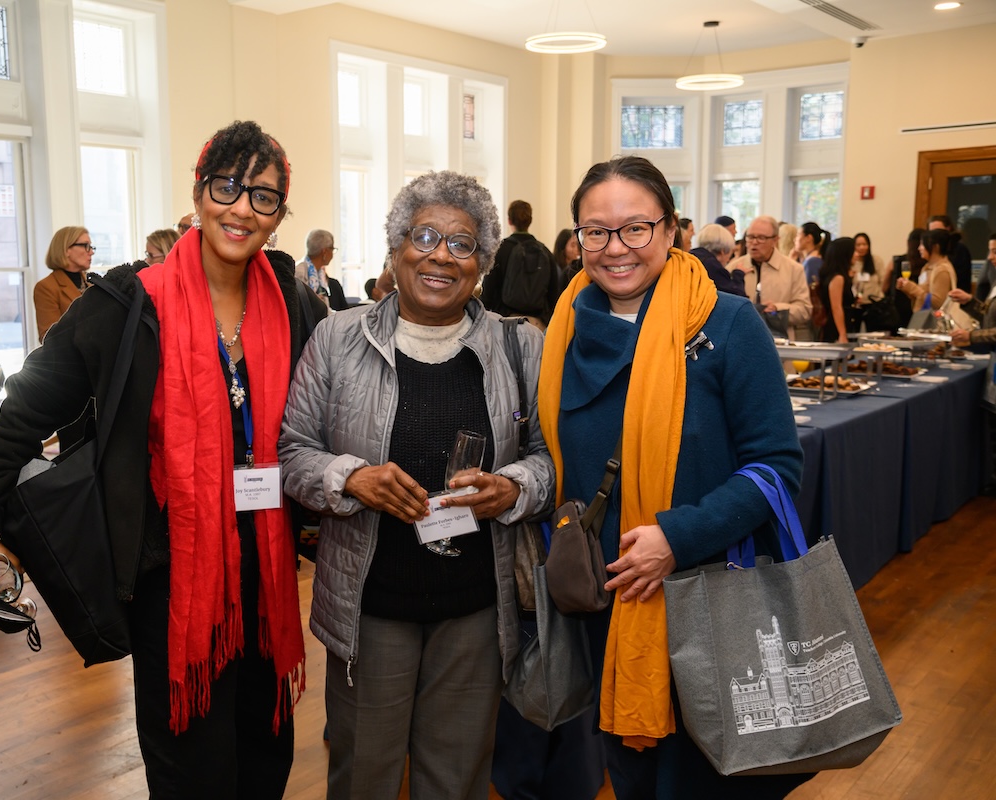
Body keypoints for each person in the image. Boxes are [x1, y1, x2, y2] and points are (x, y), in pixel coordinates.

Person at [0, 121, 324, 799]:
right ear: (199, 191)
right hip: (170, 574)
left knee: (265, 753)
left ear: (278, 217)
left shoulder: (294, 302)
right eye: (228, 187)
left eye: (264, 198)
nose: (242, 208)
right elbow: (27, 409)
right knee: (190, 765)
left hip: (267, 571)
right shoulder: (127, 303)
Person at [539, 155, 809, 798]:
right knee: (632, 776)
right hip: (605, 603)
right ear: (578, 240)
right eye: (596, 231)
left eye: (636, 227)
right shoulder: (564, 329)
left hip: (707, 601)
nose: (615, 248)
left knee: (705, 777)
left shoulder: (726, 324)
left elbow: (777, 466)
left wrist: (677, 537)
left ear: (670, 232)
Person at [279, 171, 554, 800]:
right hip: (370, 607)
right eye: (424, 236)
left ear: (482, 264)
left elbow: (547, 461)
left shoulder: (518, 348)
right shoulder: (337, 339)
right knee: (363, 777)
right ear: (395, 248)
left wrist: (512, 488)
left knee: (456, 780)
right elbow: (293, 453)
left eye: (461, 245)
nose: (439, 256)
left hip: (477, 611)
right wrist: (352, 477)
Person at [728, 215, 812, 339]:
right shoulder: (733, 268)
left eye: (761, 238)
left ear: (775, 240)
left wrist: (777, 309)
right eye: (750, 237)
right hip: (739, 340)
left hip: (779, 344)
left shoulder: (793, 269)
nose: (754, 242)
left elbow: (804, 310)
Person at [481, 200, 559, 327]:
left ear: (509, 221)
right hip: (537, 326)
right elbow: (554, 295)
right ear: (530, 221)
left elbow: (488, 292)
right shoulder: (545, 252)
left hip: (504, 324)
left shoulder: (500, 250)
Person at [34, 226, 93, 343]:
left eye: (91, 247)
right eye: (86, 246)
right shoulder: (46, 287)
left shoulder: (92, 283)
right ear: (66, 250)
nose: (91, 252)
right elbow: (48, 336)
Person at [896, 228, 956, 311]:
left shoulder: (942, 270)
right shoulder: (926, 267)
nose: (919, 248)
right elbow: (922, 296)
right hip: (922, 317)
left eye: (922, 245)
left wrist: (913, 288)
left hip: (934, 321)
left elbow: (939, 304)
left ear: (935, 247)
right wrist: (907, 289)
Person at [818, 238, 856, 343]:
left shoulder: (842, 275)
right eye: (854, 251)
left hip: (844, 325)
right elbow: (836, 307)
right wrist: (842, 334)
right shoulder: (837, 278)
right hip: (835, 329)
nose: (856, 255)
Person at [691, 223, 745, 296]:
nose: (728, 260)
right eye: (730, 253)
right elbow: (737, 296)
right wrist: (738, 274)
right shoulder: (713, 267)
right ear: (723, 251)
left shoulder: (690, 256)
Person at [928, 215, 973, 293]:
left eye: (938, 231)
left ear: (948, 229)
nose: (934, 235)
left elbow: (960, 278)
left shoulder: (959, 249)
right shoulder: (930, 250)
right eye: (931, 232)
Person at [851, 232, 885, 306]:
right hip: (857, 304)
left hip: (875, 302)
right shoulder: (852, 263)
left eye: (864, 244)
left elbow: (883, 281)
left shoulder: (876, 260)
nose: (862, 247)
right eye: (858, 245)